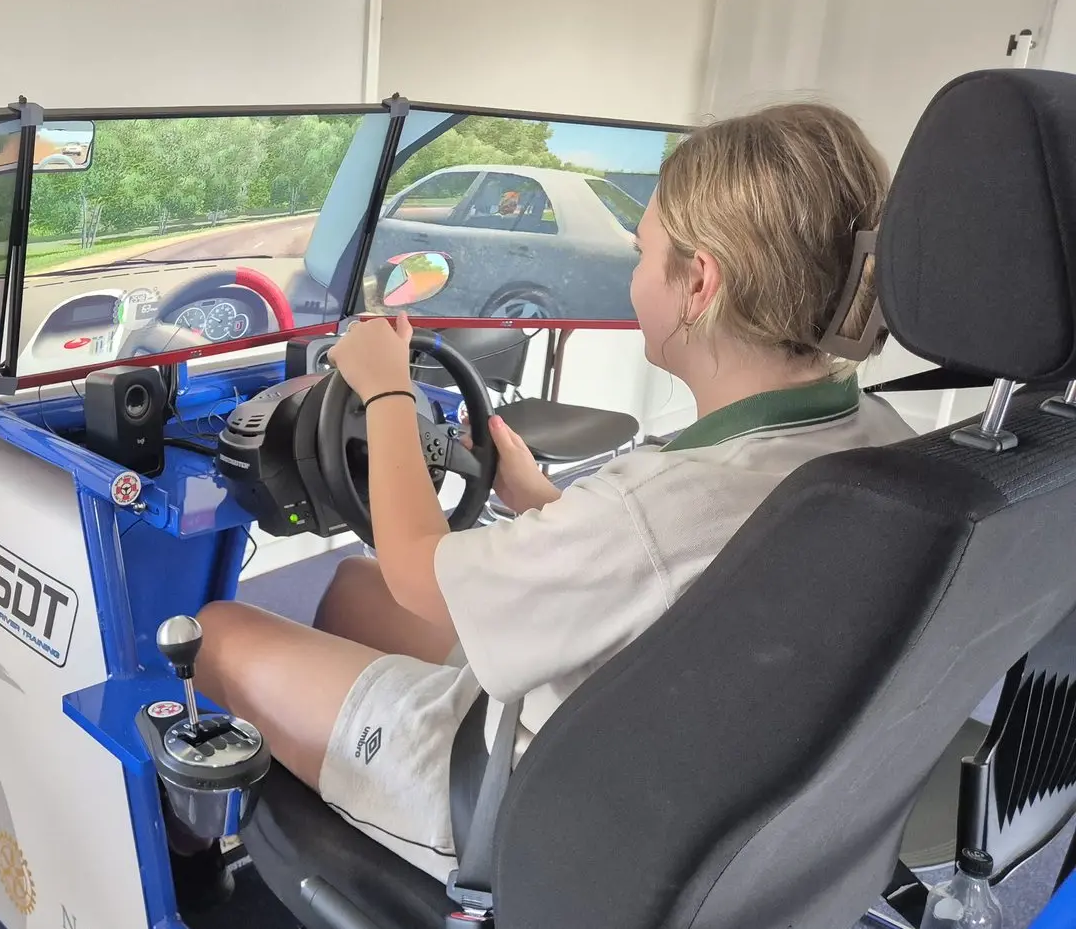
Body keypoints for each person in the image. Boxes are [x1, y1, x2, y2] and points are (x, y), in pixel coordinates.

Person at [181, 103, 918, 888]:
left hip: (522, 799)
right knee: (351, 587)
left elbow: (417, 569)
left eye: (643, 253)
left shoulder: (654, 507)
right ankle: (341, 778)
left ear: (700, 282)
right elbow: (673, 575)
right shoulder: (886, 441)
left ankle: (201, 874)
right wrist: (537, 500)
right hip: (675, 758)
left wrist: (386, 390)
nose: (633, 274)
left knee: (218, 631)